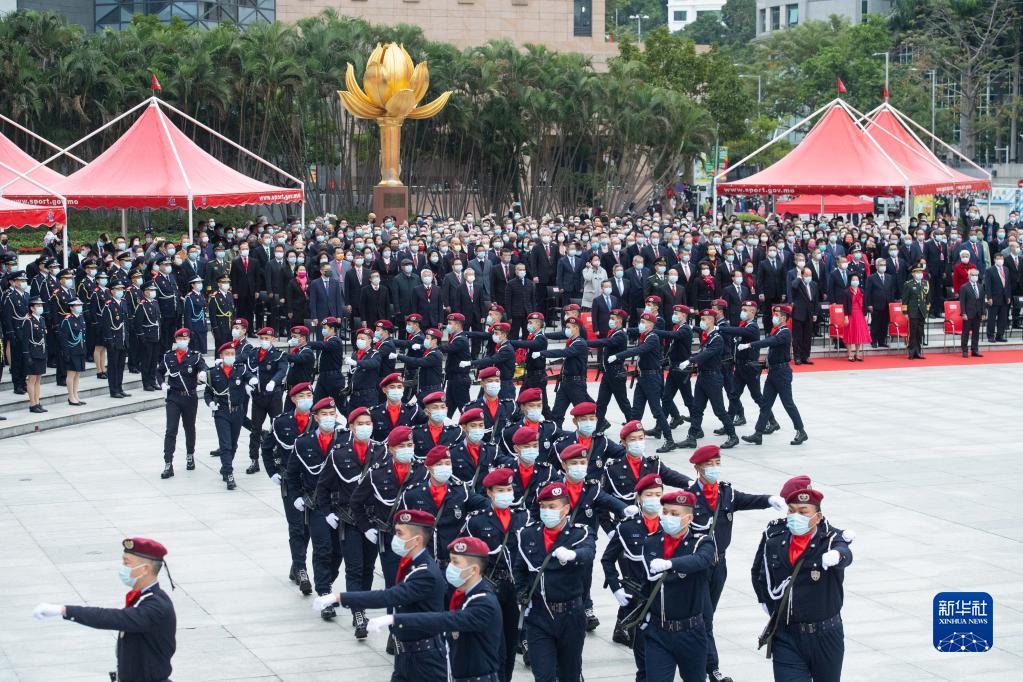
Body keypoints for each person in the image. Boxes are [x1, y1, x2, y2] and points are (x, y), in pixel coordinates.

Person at [685, 445, 785, 682]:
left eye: (717, 463)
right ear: (698, 468)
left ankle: (692, 655)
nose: (714, 469)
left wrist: (770, 500)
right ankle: (713, 669)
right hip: (698, 567)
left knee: (703, 618)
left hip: (720, 566)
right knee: (705, 618)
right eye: (709, 465)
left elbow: (748, 500)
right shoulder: (688, 497)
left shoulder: (725, 493)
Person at [313, 509, 448, 682]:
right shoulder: (411, 564)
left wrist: (339, 597)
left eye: (400, 533)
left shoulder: (425, 573)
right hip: (406, 655)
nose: (395, 538)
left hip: (425, 661)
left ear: (417, 540)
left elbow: (389, 596)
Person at [32, 537, 177, 682]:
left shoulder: (156, 607)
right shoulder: (144, 598)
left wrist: (64, 610)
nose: (123, 567)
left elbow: (110, 617)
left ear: (145, 569)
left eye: (127, 563)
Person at [751, 486, 853, 682]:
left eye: (803, 511)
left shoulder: (830, 540)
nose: (795, 516)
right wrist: (765, 600)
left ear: (818, 516)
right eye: (791, 510)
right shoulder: (776, 538)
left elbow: (845, 553)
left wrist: (837, 556)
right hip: (787, 635)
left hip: (825, 634)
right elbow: (760, 572)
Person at [513, 482, 596, 682]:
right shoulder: (528, 534)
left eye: (552, 507)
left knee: (570, 674)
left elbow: (589, 552)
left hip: (571, 615)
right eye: (543, 507)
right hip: (539, 616)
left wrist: (573, 554)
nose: (547, 511)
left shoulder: (580, 533)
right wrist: (522, 592)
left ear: (566, 509)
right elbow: (520, 568)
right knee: (543, 675)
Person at [637, 490, 715, 682]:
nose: (667, 517)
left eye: (674, 514)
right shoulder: (652, 541)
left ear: (688, 518)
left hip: (691, 632)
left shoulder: (701, 542)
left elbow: (701, 560)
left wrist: (671, 564)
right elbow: (647, 580)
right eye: (665, 512)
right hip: (658, 631)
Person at [463, 468, 529, 681]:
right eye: (500, 489)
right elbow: (463, 553)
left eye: (509, 489)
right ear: (489, 493)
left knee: (511, 642)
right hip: (490, 587)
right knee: (494, 643)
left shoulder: (522, 517)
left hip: (514, 587)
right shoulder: (476, 520)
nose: (506, 493)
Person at [600, 473, 664, 667]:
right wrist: (616, 588)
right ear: (638, 498)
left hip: (667, 602)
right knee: (644, 663)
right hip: (640, 603)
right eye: (649, 495)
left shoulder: (670, 525)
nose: (654, 499)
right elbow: (607, 559)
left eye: (658, 494)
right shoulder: (626, 528)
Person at [260, 382, 317, 597]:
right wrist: (272, 471)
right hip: (291, 482)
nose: (306, 399)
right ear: (293, 399)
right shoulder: (281, 422)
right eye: (301, 395)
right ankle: (302, 570)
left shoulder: (318, 420)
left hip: (313, 483)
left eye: (309, 394)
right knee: (295, 526)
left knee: (309, 527)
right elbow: (266, 448)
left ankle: (296, 563)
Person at [740, 305, 807, 446]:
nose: (774, 317)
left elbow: (770, 342)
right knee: (765, 404)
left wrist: (750, 345)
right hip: (773, 372)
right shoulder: (777, 331)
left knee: (788, 404)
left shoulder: (785, 332)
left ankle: (801, 431)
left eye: (777, 315)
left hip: (782, 373)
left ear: (783, 317)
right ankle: (758, 433)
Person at [677, 309, 738, 450]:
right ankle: (691, 437)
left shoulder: (717, 338)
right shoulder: (708, 337)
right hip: (703, 376)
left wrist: (690, 360)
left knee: (719, 410)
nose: (701, 322)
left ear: (711, 320)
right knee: (697, 409)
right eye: (701, 319)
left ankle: (733, 436)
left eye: (704, 319)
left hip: (713, 378)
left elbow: (707, 354)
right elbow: (702, 352)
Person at [157, 328, 208, 479]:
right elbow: (159, 372)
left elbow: (203, 367)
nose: (182, 341)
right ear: (175, 340)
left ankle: (190, 454)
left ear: (189, 340)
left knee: (189, 427)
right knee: (171, 430)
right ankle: (168, 463)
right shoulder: (169, 357)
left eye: (184, 339)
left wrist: (203, 373)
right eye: (179, 339)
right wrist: (162, 384)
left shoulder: (195, 357)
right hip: (174, 396)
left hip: (189, 397)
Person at [204, 342, 253, 490]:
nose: (230, 357)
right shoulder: (213, 373)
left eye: (233, 354)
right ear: (221, 356)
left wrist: (250, 383)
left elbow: (249, 376)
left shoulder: (240, 370)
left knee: (233, 443)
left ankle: (226, 467)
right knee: (225, 443)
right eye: (227, 354)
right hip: (222, 411)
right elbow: (208, 392)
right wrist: (210, 403)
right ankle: (230, 473)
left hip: (237, 411)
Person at [537, 315, 593, 428]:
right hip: (566, 383)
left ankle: (592, 435)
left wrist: (542, 353)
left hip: (576, 384)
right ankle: (555, 436)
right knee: (557, 414)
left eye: (569, 327)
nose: (566, 330)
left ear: (576, 328)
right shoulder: (573, 342)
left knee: (583, 414)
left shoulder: (580, 343)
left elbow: (563, 352)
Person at [586, 308, 631, 432]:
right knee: (601, 403)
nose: (610, 321)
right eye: (610, 318)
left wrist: (588, 343)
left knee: (623, 403)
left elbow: (607, 342)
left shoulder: (620, 335)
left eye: (613, 319)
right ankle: (599, 426)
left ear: (620, 321)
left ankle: (633, 424)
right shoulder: (613, 332)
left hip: (616, 373)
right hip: (608, 374)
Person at [509, 312, 550, 417]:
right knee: (521, 400)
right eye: (529, 322)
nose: (529, 325)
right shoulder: (532, 336)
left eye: (531, 323)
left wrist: (510, 342)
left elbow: (530, 345)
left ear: (538, 324)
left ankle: (552, 425)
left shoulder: (540, 338)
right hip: (530, 375)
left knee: (543, 405)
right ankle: (516, 421)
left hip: (538, 376)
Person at [20, 296, 47, 413]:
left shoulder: (41, 319)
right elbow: (25, 340)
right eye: (38, 305)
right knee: (32, 379)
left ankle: (37, 401)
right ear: (32, 308)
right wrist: (27, 356)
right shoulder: (28, 321)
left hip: (41, 352)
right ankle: (32, 404)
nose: (40, 307)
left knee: (38, 379)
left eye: (41, 305)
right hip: (32, 353)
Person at [58, 297, 87, 406]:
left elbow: (83, 335)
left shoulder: (80, 318)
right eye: (77, 305)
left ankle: (75, 394)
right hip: (71, 350)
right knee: (71, 374)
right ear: (71, 307)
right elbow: (64, 339)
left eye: (80, 305)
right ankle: (71, 396)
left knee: (78, 374)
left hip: (80, 349)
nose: (79, 307)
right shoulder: (67, 320)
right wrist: (66, 353)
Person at [135, 282, 163, 391]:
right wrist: (142, 338)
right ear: (145, 292)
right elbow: (138, 323)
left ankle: (153, 381)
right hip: (147, 337)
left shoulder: (155, 303)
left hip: (156, 336)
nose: (153, 292)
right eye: (151, 290)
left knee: (153, 361)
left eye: (153, 290)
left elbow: (158, 320)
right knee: (146, 361)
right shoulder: (142, 305)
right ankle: (146, 383)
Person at [841, 275, 870, 362]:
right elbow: (845, 306)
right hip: (850, 314)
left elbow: (864, 304)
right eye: (853, 279)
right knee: (850, 333)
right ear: (850, 281)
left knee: (859, 334)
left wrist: (865, 315)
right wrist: (845, 317)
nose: (855, 281)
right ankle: (850, 354)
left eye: (857, 279)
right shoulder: (846, 292)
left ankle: (857, 353)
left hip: (860, 314)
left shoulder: (862, 291)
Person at [903, 266, 930, 359]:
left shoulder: (925, 283)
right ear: (913, 274)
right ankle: (911, 352)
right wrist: (905, 312)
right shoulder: (908, 284)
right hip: (912, 311)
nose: (920, 274)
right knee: (912, 332)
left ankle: (918, 352)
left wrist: (926, 310)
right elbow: (905, 300)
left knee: (919, 333)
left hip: (922, 311)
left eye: (921, 272)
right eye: (917, 272)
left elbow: (928, 299)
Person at [984, 252, 1011, 342]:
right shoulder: (989, 270)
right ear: (995, 259)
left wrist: (1008, 296)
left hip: (1004, 298)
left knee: (1002, 318)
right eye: (998, 258)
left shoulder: (1006, 269)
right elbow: (988, 286)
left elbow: (1008, 284)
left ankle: (1000, 335)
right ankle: (990, 336)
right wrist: (989, 297)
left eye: (1001, 258)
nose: (1000, 260)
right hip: (994, 298)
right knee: (992, 318)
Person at [959, 266, 985, 358]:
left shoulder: (981, 287)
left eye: (976, 275)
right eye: (973, 275)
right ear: (969, 276)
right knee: (965, 333)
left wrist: (983, 313)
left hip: (977, 313)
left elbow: (982, 301)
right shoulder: (964, 287)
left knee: (976, 333)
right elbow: (962, 302)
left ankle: (975, 350)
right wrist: (963, 313)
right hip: (968, 313)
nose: (975, 276)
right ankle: (965, 350)